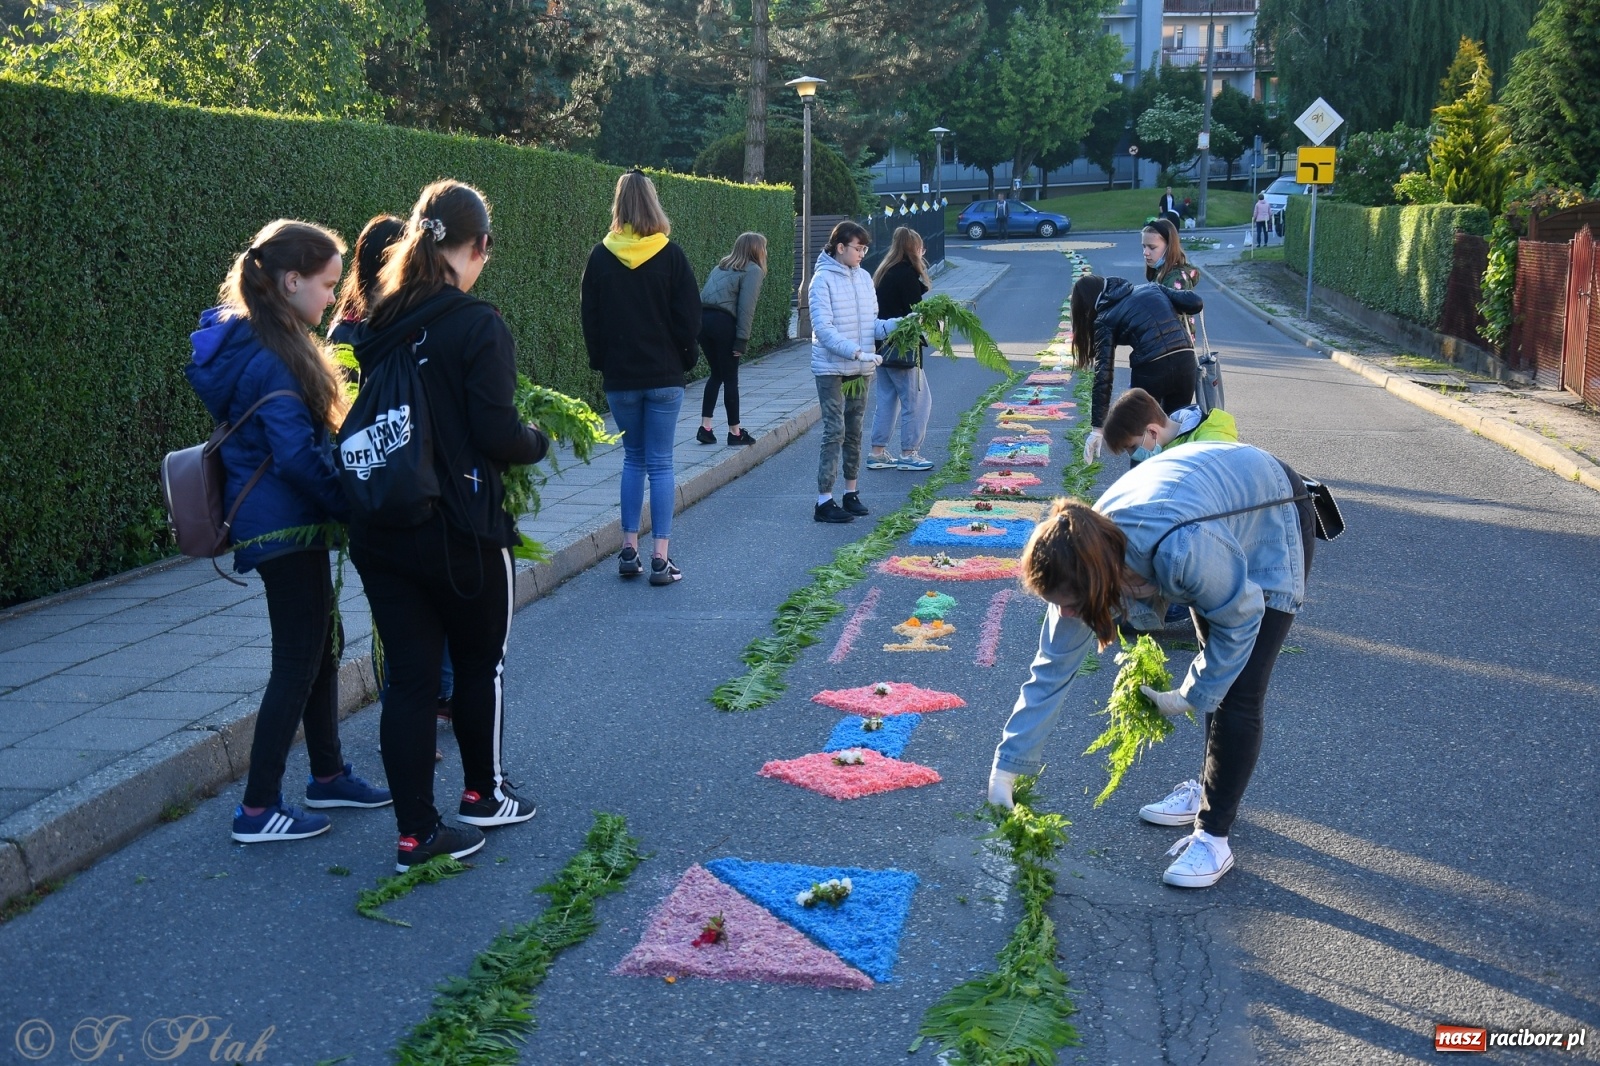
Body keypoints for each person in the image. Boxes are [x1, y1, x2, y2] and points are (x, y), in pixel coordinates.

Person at [987, 442, 1317, 889]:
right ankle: (1207, 786)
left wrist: (1189, 694)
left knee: (1236, 686)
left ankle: (1214, 837)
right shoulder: (1077, 557)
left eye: (1071, 605)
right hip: (1207, 509)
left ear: (1101, 582)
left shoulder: (1182, 552)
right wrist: (1007, 766)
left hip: (1267, 512)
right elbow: (1050, 670)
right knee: (1217, 670)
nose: (1065, 615)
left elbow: (1240, 620)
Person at [350, 180, 549, 871]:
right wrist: (537, 439)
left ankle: (415, 835)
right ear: (480, 247)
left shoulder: (378, 323)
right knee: (478, 666)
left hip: (382, 526)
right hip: (461, 527)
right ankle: (482, 795)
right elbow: (497, 434)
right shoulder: (478, 324)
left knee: (408, 679)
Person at [185, 219, 391, 844]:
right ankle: (258, 807)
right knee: (298, 659)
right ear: (290, 280)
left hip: (281, 520)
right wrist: (354, 506)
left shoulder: (261, 340)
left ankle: (327, 774)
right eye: (328, 284)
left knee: (322, 643)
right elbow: (298, 459)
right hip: (284, 524)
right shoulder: (272, 360)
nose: (333, 297)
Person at [330, 215, 454, 760]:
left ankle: (419, 701)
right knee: (415, 612)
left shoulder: (342, 329)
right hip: (402, 469)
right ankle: (423, 705)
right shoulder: (399, 325)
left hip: (362, 473)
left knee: (395, 618)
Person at [582, 170, 701, 583]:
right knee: (662, 463)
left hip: (622, 379)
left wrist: (603, 362)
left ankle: (628, 549)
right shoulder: (671, 256)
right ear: (653, 204)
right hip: (664, 374)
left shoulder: (600, 256)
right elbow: (688, 318)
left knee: (633, 460)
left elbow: (590, 320)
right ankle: (660, 558)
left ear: (618, 206)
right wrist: (686, 360)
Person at [809, 220, 900, 523]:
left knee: (854, 430)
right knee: (835, 431)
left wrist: (901, 323)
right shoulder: (821, 280)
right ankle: (824, 501)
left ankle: (851, 493)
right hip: (832, 368)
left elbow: (873, 324)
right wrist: (857, 351)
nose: (862, 253)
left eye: (864, 249)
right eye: (858, 248)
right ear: (840, 247)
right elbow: (823, 329)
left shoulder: (863, 278)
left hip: (860, 368)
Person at [1074, 274, 1204, 464]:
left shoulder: (1104, 318)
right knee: (1176, 433)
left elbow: (1104, 374)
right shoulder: (1152, 288)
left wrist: (1097, 428)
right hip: (1185, 360)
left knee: (1138, 434)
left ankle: (1141, 485)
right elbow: (1195, 303)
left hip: (1151, 368)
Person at [866, 227, 934, 473]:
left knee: (886, 401)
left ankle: (877, 452)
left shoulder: (884, 271)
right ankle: (909, 453)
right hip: (903, 350)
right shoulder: (906, 274)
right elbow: (916, 311)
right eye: (921, 248)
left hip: (882, 346)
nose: (923, 252)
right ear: (913, 249)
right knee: (917, 401)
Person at [696, 232, 767, 448]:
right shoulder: (753, 270)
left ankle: (705, 427)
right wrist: (741, 340)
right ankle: (735, 432)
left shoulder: (721, 267)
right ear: (756, 250)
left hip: (702, 321)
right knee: (730, 378)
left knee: (716, 375)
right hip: (722, 324)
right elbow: (746, 308)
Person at [1102, 387, 1237, 460]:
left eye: (1132, 447)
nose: (1132, 455)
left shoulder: (1209, 444)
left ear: (1152, 432)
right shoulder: (1167, 450)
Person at [1141, 218, 1199, 292]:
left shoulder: (1176, 279)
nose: (1145, 252)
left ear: (1169, 247)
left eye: (1152, 247)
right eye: (1144, 246)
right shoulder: (1160, 271)